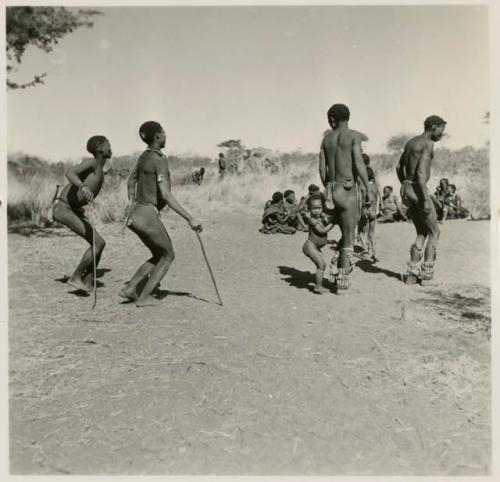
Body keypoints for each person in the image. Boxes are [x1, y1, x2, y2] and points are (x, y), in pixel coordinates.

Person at [120, 121, 202, 307]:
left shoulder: (143, 157)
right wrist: (191, 218)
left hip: (134, 214)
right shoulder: (159, 160)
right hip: (148, 214)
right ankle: (144, 297)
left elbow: (130, 183)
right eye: (163, 133)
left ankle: (130, 288)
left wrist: (132, 205)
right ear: (157, 136)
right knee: (168, 255)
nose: (166, 136)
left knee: (159, 254)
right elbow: (166, 194)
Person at [319, 103, 375, 290]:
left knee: (342, 234)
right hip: (347, 189)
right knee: (349, 237)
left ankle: (335, 267)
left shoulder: (326, 139)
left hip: (330, 190)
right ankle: (342, 282)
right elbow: (359, 163)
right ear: (348, 117)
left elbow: (321, 169)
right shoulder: (353, 136)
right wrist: (367, 188)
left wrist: (328, 185)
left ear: (332, 119)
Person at [52, 136, 112, 292]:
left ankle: (88, 281)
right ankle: (75, 278)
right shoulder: (92, 163)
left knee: (100, 243)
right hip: (63, 208)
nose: (110, 148)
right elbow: (70, 173)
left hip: (71, 209)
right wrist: (83, 187)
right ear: (99, 148)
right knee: (98, 243)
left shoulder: (99, 167)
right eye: (107, 145)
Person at [396, 115, 446, 285]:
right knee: (434, 232)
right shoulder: (427, 144)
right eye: (441, 129)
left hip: (408, 189)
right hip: (418, 190)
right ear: (433, 127)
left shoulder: (411, 142)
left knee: (421, 232)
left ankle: (411, 275)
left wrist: (405, 183)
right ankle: (426, 276)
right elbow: (421, 174)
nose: (442, 134)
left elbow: (398, 167)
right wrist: (424, 198)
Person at [302, 195, 335, 294]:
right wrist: (333, 223)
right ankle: (318, 286)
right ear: (309, 209)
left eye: (319, 208)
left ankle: (319, 284)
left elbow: (327, 217)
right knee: (321, 265)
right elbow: (321, 230)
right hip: (310, 246)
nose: (317, 211)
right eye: (314, 209)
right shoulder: (311, 220)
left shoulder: (321, 217)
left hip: (315, 247)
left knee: (322, 265)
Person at [357, 153, 380, 261]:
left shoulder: (362, 185)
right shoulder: (375, 186)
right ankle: (374, 253)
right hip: (373, 211)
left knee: (360, 231)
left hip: (364, 210)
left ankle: (366, 249)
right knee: (371, 233)